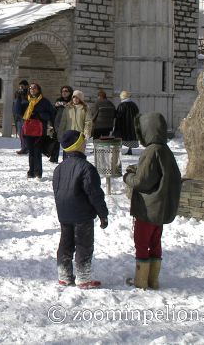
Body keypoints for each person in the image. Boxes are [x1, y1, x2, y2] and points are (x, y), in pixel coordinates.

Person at [123, 112, 181, 290]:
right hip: (160, 209)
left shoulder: (151, 151)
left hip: (147, 209)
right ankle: (153, 280)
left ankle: (141, 281)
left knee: (141, 243)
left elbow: (142, 182)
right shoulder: (166, 150)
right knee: (155, 243)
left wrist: (128, 177)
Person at [52, 130, 109, 289]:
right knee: (84, 245)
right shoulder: (86, 168)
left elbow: (57, 191)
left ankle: (64, 275)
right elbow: (94, 194)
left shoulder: (59, 168)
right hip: (82, 215)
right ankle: (83, 278)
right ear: (78, 146)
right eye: (83, 142)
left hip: (64, 214)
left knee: (65, 244)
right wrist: (103, 214)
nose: (85, 144)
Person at [21, 83, 54, 180]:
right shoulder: (25, 100)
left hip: (39, 130)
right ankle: (31, 171)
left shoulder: (44, 101)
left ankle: (38, 172)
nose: (32, 89)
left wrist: (39, 115)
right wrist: (18, 98)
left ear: (39, 90)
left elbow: (51, 114)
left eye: (34, 88)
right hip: (28, 129)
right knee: (31, 151)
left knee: (37, 151)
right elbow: (18, 112)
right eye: (30, 88)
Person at [57, 90, 93, 160]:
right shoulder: (67, 108)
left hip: (79, 136)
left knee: (79, 156)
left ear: (81, 99)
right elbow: (63, 122)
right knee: (67, 156)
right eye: (74, 97)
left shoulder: (85, 108)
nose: (75, 99)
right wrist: (60, 134)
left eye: (77, 98)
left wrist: (86, 133)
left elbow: (88, 122)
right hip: (68, 135)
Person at [114, 90, 140, 155]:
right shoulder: (134, 105)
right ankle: (130, 149)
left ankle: (119, 150)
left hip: (123, 124)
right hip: (132, 125)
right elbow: (137, 114)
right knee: (130, 136)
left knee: (120, 137)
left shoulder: (121, 105)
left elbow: (118, 115)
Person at [12, 80, 30, 154]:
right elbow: (15, 104)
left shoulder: (29, 94)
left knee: (26, 133)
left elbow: (28, 103)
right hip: (18, 117)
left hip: (26, 117)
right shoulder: (17, 94)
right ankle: (23, 147)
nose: (21, 88)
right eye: (20, 86)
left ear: (26, 86)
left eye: (22, 86)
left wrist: (24, 96)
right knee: (20, 133)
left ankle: (26, 148)